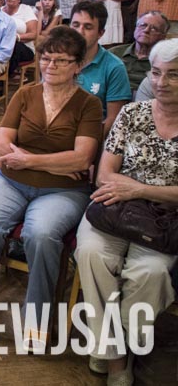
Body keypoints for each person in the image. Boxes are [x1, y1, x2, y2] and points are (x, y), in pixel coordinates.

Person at [0, 27, 103, 350]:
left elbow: (82, 158)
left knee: (40, 234)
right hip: (11, 182)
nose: (50, 65)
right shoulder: (25, 95)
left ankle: (37, 318)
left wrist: (28, 159)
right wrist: (54, 162)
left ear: (78, 65)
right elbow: (2, 145)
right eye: (46, 58)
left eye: (61, 60)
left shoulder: (89, 105)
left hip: (63, 191)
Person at [74, 38, 178, 384]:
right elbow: (105, 174)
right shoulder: (133, 114)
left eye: (174, 75)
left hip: (165, 220)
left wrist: (140, 189)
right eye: (156, 73)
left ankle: (115, 342)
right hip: (114, 208)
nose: (162, 83)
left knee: (151, 272)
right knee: (91, 253)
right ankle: (117, 357)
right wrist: (129, 190)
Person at [70, 0, 132, 136]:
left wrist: (88, 142)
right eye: (75, 25)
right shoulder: (56, 59)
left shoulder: (114, 67)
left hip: (92, 136)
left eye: (88, 27)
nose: (80, 32)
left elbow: (113, 120)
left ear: (100, 33)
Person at [109, 11, 170, 94]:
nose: (146, 30)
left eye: (153, 28)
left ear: (163, 36)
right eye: (143, 25)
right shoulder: (114, 53)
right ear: (135, 29)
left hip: (145, 97)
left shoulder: (165, 60)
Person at [2, 0, 38, 78]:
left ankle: (4, 78)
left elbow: (33, 34)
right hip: (2, 45)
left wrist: (16, 37)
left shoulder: (26, 10)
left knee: (12, 46)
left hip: (24, 48)